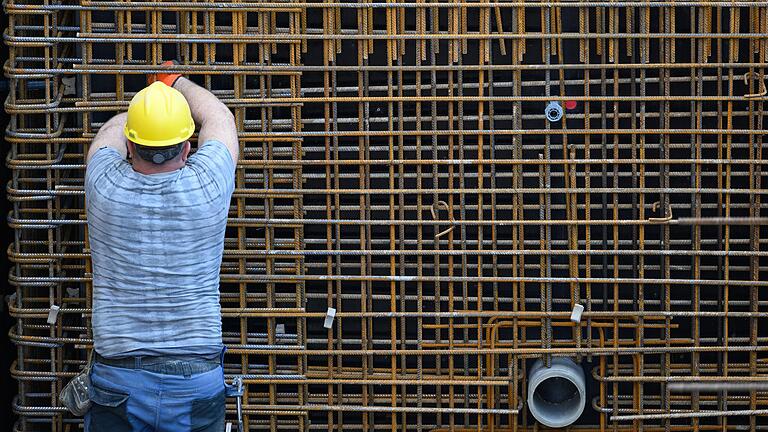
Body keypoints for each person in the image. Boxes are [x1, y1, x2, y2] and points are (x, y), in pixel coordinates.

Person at [83, 65, 239, 431]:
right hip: (194, 381)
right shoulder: (208, 185)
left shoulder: (103, 185)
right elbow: (219, 115)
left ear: (132, 144)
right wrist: (172, 84)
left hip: (117, 381)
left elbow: (108, 134)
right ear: (188, 147)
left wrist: (144, 104)